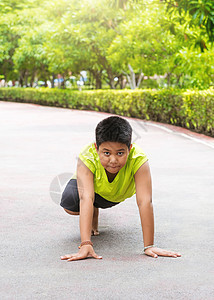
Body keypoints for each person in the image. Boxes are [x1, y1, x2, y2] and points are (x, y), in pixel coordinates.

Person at [60, 116, 181, 261]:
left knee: (95, 198)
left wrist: (149, 246)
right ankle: (93, 212)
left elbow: (145, 202)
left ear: (129, 148)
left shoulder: (139, 159)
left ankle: (95, 208)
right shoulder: (87, 156)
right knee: (70, 202)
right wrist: (86, 243)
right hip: (90, 191)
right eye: (106, 153)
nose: (113, 160)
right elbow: (86, 198)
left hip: (115, 194)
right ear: (96, 148)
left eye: (120, 153)